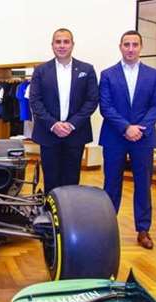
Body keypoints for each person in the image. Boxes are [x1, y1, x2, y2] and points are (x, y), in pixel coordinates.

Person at [99, 30, 156, 249]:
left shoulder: (153, 74)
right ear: (120, 47)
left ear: (140, 47)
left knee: (143, 185)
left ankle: (143, 230)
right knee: (111, 184)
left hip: (143, 138)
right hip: (114, 136)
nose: (130, 48)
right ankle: (107, 228)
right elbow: (105, 107)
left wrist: (139, 129)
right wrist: (126, 127)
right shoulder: (107, 74)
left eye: (134, 44)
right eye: (126, 44)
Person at [29, 28, 99, 195]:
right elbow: (35, 101)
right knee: (50, 179)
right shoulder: (41, 71)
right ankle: (50, 216)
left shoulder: (87, 70)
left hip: (75, 134)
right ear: (52, 45)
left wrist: (71, 124)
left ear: (72, 45)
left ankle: (69, 216)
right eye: (58, 42)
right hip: (48, 133)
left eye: (66, 42)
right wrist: (53, 124)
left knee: (71, 179)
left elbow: (92, 100)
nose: (62, 45)